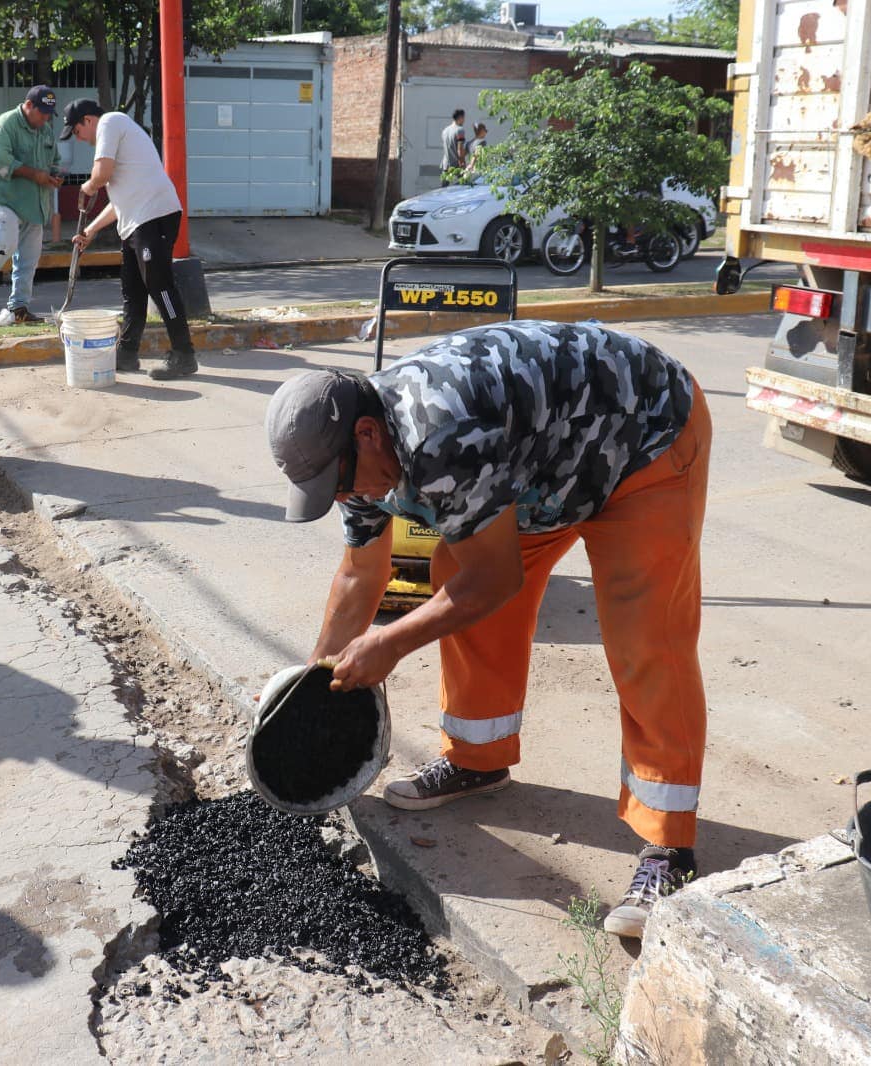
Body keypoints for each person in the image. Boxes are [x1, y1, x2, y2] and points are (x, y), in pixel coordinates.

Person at [265, 320, 711, 940]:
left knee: (645, 635)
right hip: (537, 466)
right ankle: (479, 759)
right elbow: (357, 578)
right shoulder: (354, 451)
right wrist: (312, 690)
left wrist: (389, 644)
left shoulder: (439, 435)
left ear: (366, 435)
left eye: (338, 484)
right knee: (458, 574)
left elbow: (492, 579)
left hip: (642, 438)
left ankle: (669, 848)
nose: (344, 496)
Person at [63, 99, 198, 381]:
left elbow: (100, 176)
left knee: (160, 286)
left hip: (154, 215)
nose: (79, 139)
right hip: (136, 220)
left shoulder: (111, 122)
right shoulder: (117, 140)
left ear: (89, 120)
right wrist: (91, 230)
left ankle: (184, 354)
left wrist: (87, 186)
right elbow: (119, 202)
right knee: (133, 290)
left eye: (77, 131)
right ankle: (126, 354)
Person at [0, 85, 59, 323]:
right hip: (3, 198)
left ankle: (19, 308)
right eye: (42, 113)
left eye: (49, 114)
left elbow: (55, 159)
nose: (46, 118)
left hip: (35, 203)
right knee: (4, 243)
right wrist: (35, 175)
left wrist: (56, 173)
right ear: (28, 106)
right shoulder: (4, 124)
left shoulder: (46, 130)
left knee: (29, 259)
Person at [440, 109, 467, 186]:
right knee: (464, 187)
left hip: (446, 163)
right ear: (460, 117)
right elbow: (460, 149)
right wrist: (462, 163)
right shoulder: (460, 130)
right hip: (456, 164)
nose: (464, 120)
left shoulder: (445, 130)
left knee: (444, 188)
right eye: (464, 118)